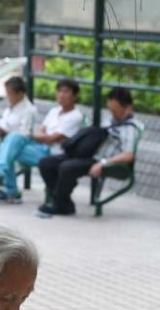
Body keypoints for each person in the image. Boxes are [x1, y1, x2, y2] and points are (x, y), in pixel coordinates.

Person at [37, 88, 142, 218]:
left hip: (104, 161)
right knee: (46, 163)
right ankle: (63, 202)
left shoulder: (130, 128)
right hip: (89, 156)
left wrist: (103, 163)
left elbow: (129, 155)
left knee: (67, 167)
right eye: (110, 109)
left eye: (115, 111)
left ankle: (61, 204)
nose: (113, 114)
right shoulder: (110, 120)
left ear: (127, 107)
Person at [0, 79, 84, 205]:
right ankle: (3, 178)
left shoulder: (75, 116)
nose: (61, 95)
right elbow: (42, 132)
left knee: (9, 145)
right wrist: (41, 136)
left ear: (75, 96)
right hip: (41, 148)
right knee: (8, 145)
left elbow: (51, 139)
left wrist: (32, 136)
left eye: (66, 92)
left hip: (55, 154)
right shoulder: (54, 111)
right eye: (59, 91)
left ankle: (5, 182)